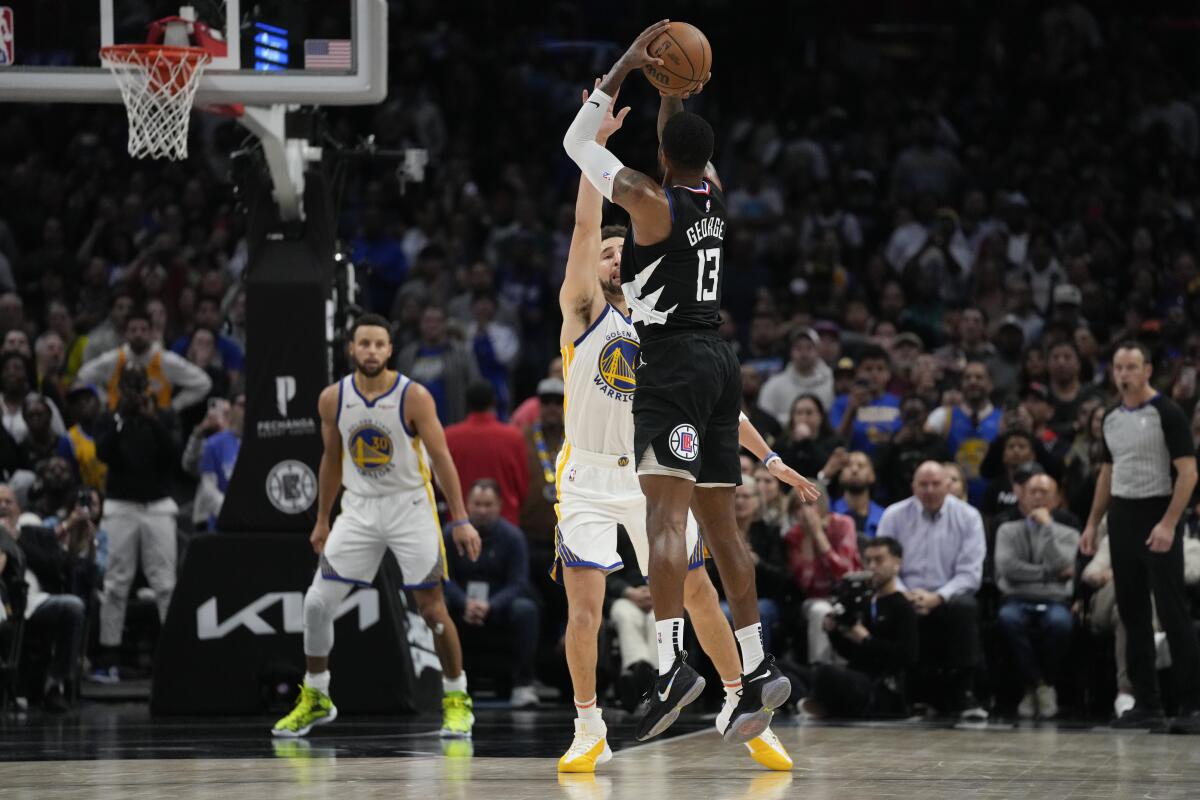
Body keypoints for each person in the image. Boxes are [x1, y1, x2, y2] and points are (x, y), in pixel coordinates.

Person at [562, 26, 820, 747]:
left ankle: (674, 665)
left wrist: (628, 64)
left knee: (664, 522)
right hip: (720, 359)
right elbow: (680, 138)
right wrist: (674, 91)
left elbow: (577, 147)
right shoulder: (711, 193)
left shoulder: (649, 201)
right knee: (720, 524)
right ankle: (760, 665)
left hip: (670, 364)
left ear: (661, 160)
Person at [272, 314, 482, 739]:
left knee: (432, 610)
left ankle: (457, 699)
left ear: (389, 350)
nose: (370, 351)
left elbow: (441, 458)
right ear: (351, 349)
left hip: (410, 506)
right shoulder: (333, 398)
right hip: (361, 508)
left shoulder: (414, 396)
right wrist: (322, 520)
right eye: (363, 343)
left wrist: (459, 517)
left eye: (379, 344)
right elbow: (332, 459)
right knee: (315, 604)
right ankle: (316, 696)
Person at [1081, 341, 1200, 733]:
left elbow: (1188, 473)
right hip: (1123, 515)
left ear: (1147, 370)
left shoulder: (1168, 412)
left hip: (1158, 511)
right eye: (1118, 367)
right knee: (1131, 613)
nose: (1124, 374)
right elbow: (1107, 473)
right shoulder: (1111, 417)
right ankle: (1147, 704)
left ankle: (1191, 705)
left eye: (1131, 367)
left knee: (1171, 611)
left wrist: (1168, 523)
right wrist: (1092, 523)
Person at [876, 461, 988, 720]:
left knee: (965, 607)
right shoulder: (894, 514)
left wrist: (938, 597)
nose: (929, 490)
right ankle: (910, 696)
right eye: (923, 484)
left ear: (949, 486)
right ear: (913, 487)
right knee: (896, 605)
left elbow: (970, 574)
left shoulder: (969, 516)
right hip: (904, 592)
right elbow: (882, 564)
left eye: (936, 484)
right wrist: (904, 593)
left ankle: (964, 693)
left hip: (948, 594)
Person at [93, 362, 181, 681]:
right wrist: (122, 418)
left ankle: (175, 658)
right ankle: (109, 659)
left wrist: (149, 419)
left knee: (165, 584)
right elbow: (103, 453)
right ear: (119, 388)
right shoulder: (109, 418)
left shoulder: (164, 416)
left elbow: (174, 454)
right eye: (126, 385)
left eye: (137, 384)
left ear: (147, 386)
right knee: (116, 583)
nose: (132, 391)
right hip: (120, 506)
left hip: (157, 505)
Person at [797, 537, 918, 720]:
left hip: (879, 685)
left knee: (827, 673)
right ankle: (815, 702)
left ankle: (815, 703)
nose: (872, 566)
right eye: (868, 560)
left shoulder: (903, 605)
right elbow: (850, 653)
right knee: (779, 668)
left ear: (897, 563)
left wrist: (867, 640)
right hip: (856, 674)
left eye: (879, 560)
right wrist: (834, 632)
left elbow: (907, 657)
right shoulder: (866, 601)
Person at [443, 479, 539, 708]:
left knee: (525, 609)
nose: (482, 510)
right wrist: (463, 602)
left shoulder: (513, 537)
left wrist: (491, 605)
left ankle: (523, 684)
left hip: (498, 608)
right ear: (467, 504)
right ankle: (443, 683)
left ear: (499, 506)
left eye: (488, 505)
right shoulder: (450, 534)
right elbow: (443, 578)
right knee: (438, 607)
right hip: (460, 606)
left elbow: (519, 582)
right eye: (477, 504)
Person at [0, 484, 92, 710]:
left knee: (73, 606)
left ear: (18, 508)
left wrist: (16, 541)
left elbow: (53, 566)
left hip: (36, 600)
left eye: (8, 502)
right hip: (6, 600)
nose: (2, 506)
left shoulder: (34, 533)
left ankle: (55, 684)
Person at [994, 473, 1078, 719]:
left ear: (1057, 500)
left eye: (1045, 492)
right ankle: (1040, 685)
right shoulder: (1007, 530)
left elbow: (1064, 562)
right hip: (1016, 598)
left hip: (1055, 600)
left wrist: (1048, 528)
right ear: (1022, 497)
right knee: (1008, 620)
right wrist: (1050, 576)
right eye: (1033, 492)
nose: (1038, 497)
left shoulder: (1068, 533)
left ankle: (1038, 686)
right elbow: (1008, 569)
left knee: (1060, 624)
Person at [76, 308, 212, 415]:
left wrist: (175, 406)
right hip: (119, 421)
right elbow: (83, 376)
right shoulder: (114, 359)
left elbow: (203, 382)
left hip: (158, 422)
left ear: (152, 332)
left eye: (143, 330)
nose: (138, 334)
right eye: (133, 330)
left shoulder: (165, 360)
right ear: (125, 333)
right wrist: (104, 400)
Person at [784, 492, 861, 664]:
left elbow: (844, 573)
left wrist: (818, 534)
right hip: (814, 599)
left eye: (810, 505)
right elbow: (805, 585)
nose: (805, 512)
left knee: (847, 611)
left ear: (823, 506)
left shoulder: (843, 524)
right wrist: (808, 540)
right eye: (798, 508)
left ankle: (845, 673)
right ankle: (820, 670)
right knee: (821, 611)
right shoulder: (793, 536)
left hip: (847, 594)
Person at [444, 382, 529, 526]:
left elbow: (440, 485)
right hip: (504, 523)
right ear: (493, 403)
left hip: (460, 524)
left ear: (467, 404)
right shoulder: (514, 437)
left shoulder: (449, 437)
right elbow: (522, 486)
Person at [925, 361, 1002, 505]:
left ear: (990, 384)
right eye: (967, 377)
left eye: (979, 377)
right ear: (961, 384)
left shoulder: (1002, 420)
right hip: (950, 499)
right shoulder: (942, 416)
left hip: (991, 499)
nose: (973, 381)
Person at [395, 305, 481, 425]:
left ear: (445, 324)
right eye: (428, 321)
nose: (432, 325)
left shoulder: (462, 354)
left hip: (453, 423)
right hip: (415, 428)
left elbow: (475, 387)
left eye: (438, 321)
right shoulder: (407, 356)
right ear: (420, 324)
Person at [829, 346, 902, 456]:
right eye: (868, 369)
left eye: (880, 369)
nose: (874, 374)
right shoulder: (841, 403)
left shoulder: (899, 403)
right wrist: (851, 409)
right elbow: (837, 441)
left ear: (889, 374)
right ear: (858, 373)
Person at [758, 328, 835, 425]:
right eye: (798, 348)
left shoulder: (832, 382)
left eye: (809, 347)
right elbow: (764, 419)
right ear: (791, 351)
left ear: (817, 351)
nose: (804, 353)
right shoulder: (773, 385)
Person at [194, 393, 245, 531]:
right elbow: (208, 487)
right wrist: (231, 510)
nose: (245, 410)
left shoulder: (262, 442)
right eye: (241, 405)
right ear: (231, 409)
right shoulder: (213, 444)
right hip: (223, 523)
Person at [831, 451, 885, 541]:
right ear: (840, 475)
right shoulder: (830, 512)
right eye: (848, 465)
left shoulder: (884, 517)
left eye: (861, 466)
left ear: (872, 476)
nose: (854, 470)